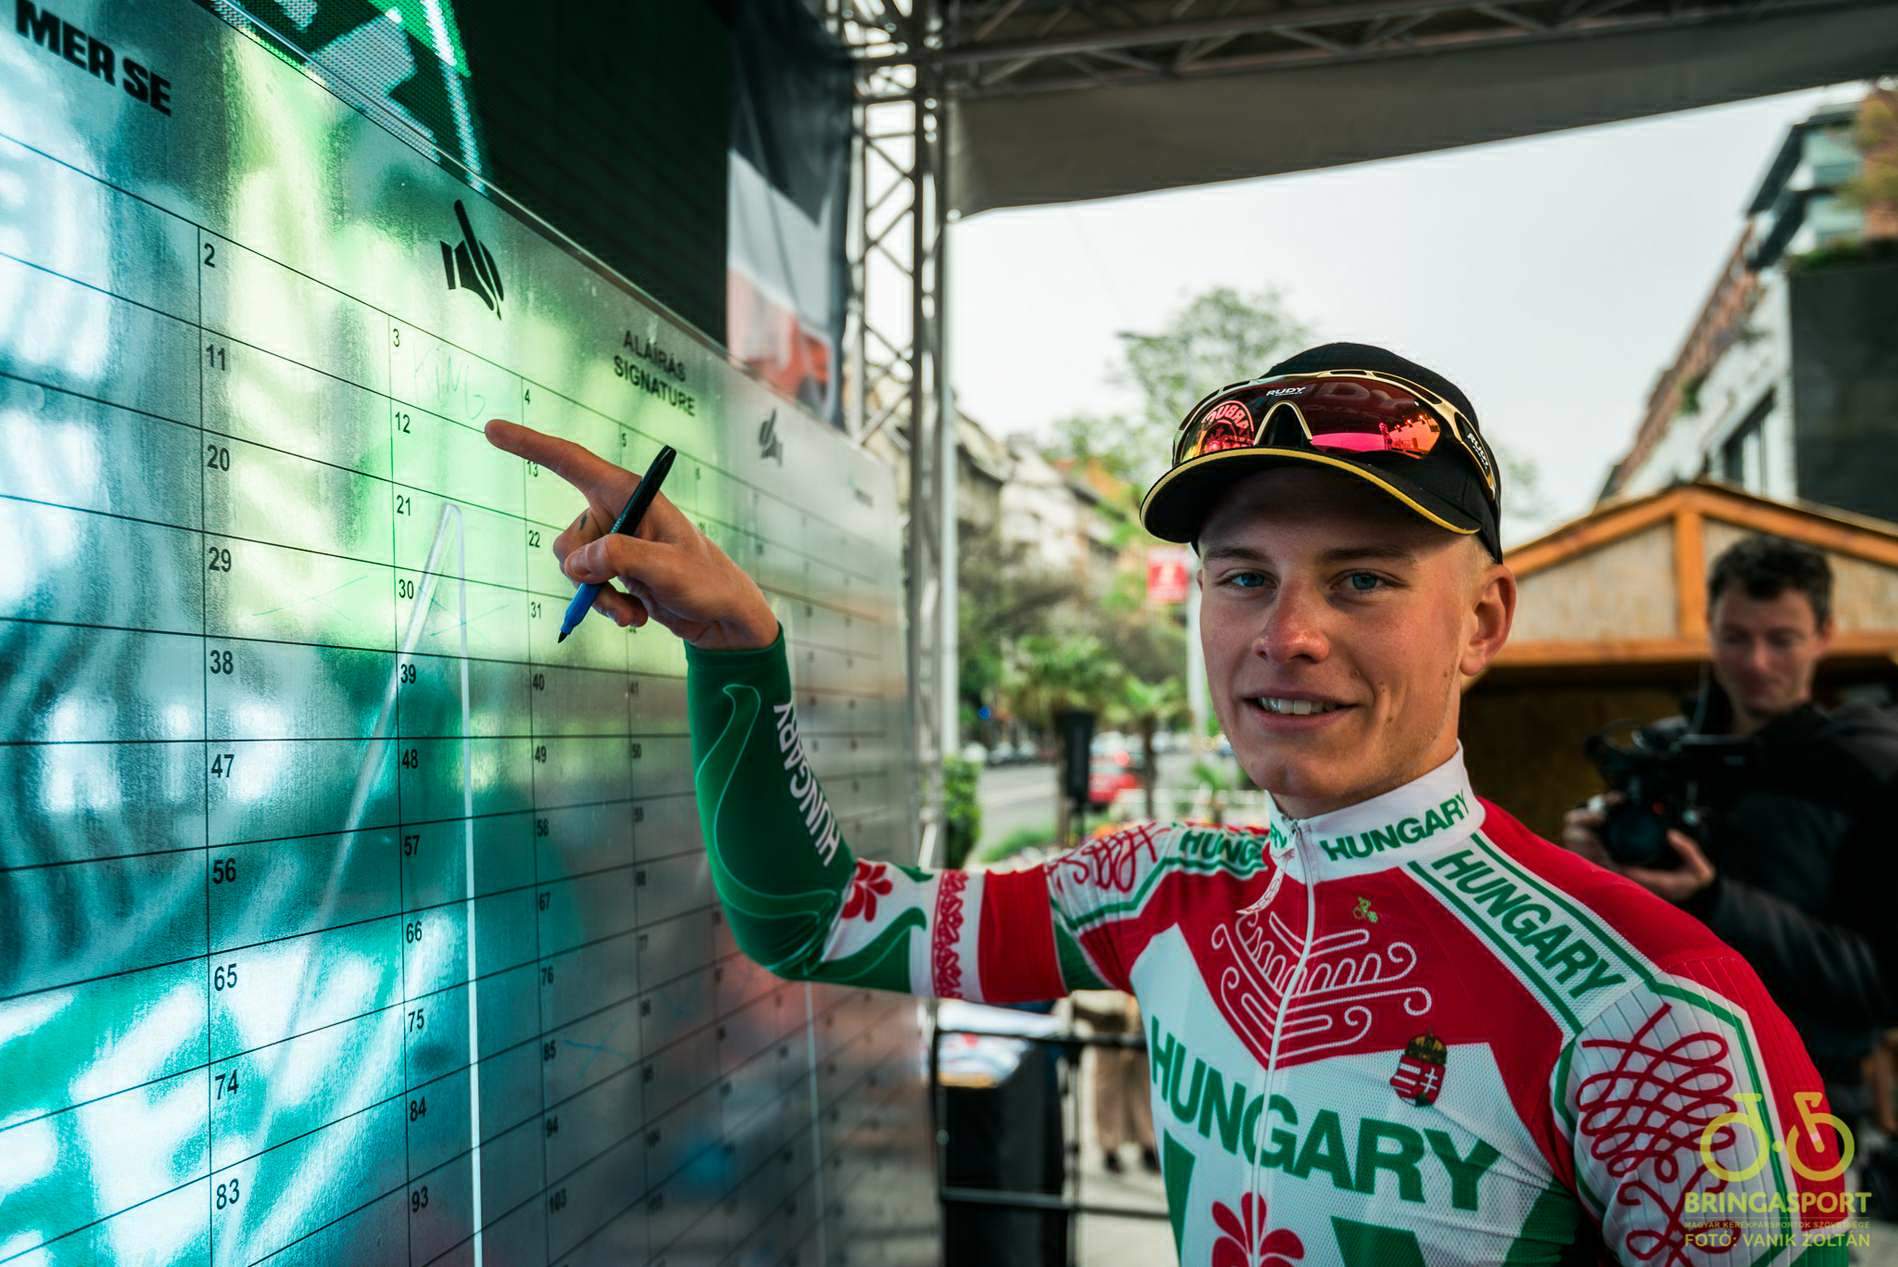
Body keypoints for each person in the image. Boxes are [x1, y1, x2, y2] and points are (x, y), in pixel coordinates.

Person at [486, 343, 1854, 1264]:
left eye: (1362, 579)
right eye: (1242, 575)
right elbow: (809, 916)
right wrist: (735, 648)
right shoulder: (1156, 887)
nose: (1286, 634)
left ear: (1482, 621)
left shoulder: (1654, 1008)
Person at [1561, 536, 1898, 1169]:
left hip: (1804, 1104)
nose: (1757, 662)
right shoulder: (1660, 757)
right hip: (1653, 1087)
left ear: (1824, 635)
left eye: (1782, 639)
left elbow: (1880, 981)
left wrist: (1713, 900)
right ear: (1709, 630)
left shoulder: (1869, 770)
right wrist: (1586, 867)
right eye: (1736, 638)